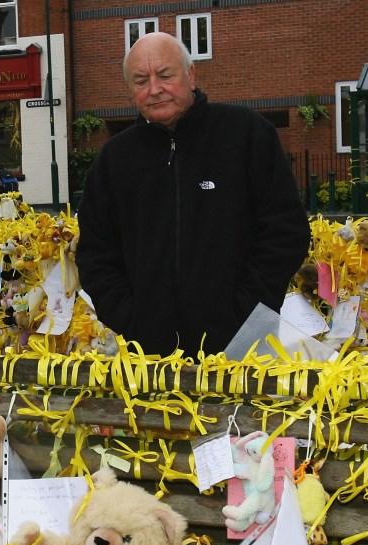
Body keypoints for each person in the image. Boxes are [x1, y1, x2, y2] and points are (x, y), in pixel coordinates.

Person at [76, 32, 311, 358]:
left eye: (165, 75)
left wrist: (244, 309)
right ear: (131, 90)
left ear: (192, 76)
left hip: (244, 347)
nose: (154, 89)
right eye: (141, 80)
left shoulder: (246, 134)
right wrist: (130, 318)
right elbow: (95, 252)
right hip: (149, 355)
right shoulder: (114, 159)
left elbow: (286, 232)